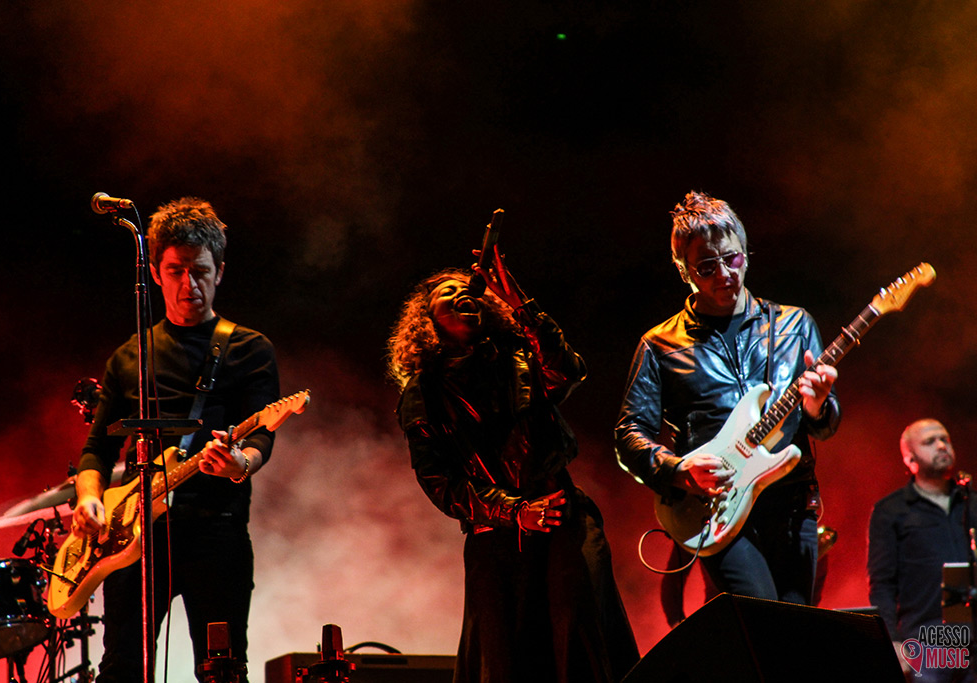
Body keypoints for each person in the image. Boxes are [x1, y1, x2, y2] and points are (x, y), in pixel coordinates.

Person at [388, 248, 640, 682]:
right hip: (495, 537)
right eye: (447, 293)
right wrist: (514, 511)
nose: (463, 294)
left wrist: (521, 303)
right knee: (511, 660)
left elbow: (569, 371)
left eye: (468, 289)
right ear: (428, 320)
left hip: (561, 513)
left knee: (579, 629)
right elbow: (440, 482)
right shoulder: (422, 393)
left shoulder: (518, 353)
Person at [72, 197, 281, 683]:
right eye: (176, 271)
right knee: (123, 667)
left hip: (217, 530)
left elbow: (262, 437)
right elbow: (97, 449)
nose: (189, 284)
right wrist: (88, 498)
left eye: (200, 271)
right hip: (134, 539)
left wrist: (240, 464)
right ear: (154, 273)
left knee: (222, 669)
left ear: (219, 272)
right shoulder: (129, 356)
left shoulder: (250, 349)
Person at [615, 190, 840, 605]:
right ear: (683, 270)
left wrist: (817, 406)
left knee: (798, 629)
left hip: (791, 505)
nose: (724, 274)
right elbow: (629, 434)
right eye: (706, 266)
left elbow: (823, 426)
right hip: (717, 507)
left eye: (732, 258)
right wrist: (678, 470)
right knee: (760, 615)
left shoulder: (794, 325)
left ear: (746, 253)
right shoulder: (660, 345)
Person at [868, 419, 977, 681]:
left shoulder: (972, 503)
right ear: (910, 459)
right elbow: (882, 584)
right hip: (927, 638)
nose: (941, 446)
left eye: (944, 439)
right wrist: (892, 641)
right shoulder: (891, 511)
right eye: (929, 442)